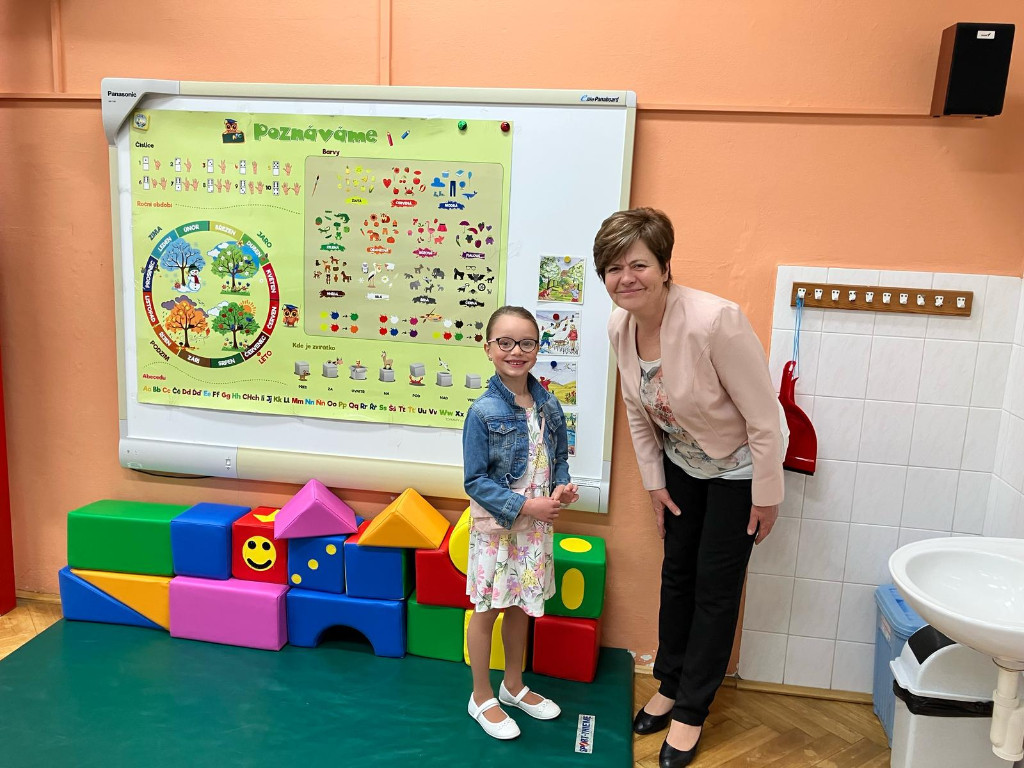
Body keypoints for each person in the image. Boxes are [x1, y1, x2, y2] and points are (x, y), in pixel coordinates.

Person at [594, 208, 787, 768]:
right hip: (682, 467)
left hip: (738, 470)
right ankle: (670, 682)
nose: (626, 277)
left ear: (664, 266)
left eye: (638, 264)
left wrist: (766, 494)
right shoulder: (620, 325)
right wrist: (655, 484)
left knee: (714, 589)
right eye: (613, 268)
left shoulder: (715, 321)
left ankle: (692, 710)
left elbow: (764, 417)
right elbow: (637, 412)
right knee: (677, 575)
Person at [462, 306, 580, 740]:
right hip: (498, 530)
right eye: (506, 342)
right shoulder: (483, 411)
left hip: (533, 532)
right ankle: (480, 696)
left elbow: (559, 457)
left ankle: (512, 686)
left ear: (537, 348)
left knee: (520, 606)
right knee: (487, 609)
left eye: (527, 342)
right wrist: (526, 505)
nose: (516, 351)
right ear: (488, 348)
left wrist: (562, 486)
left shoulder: (548, 403)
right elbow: (475, 481)